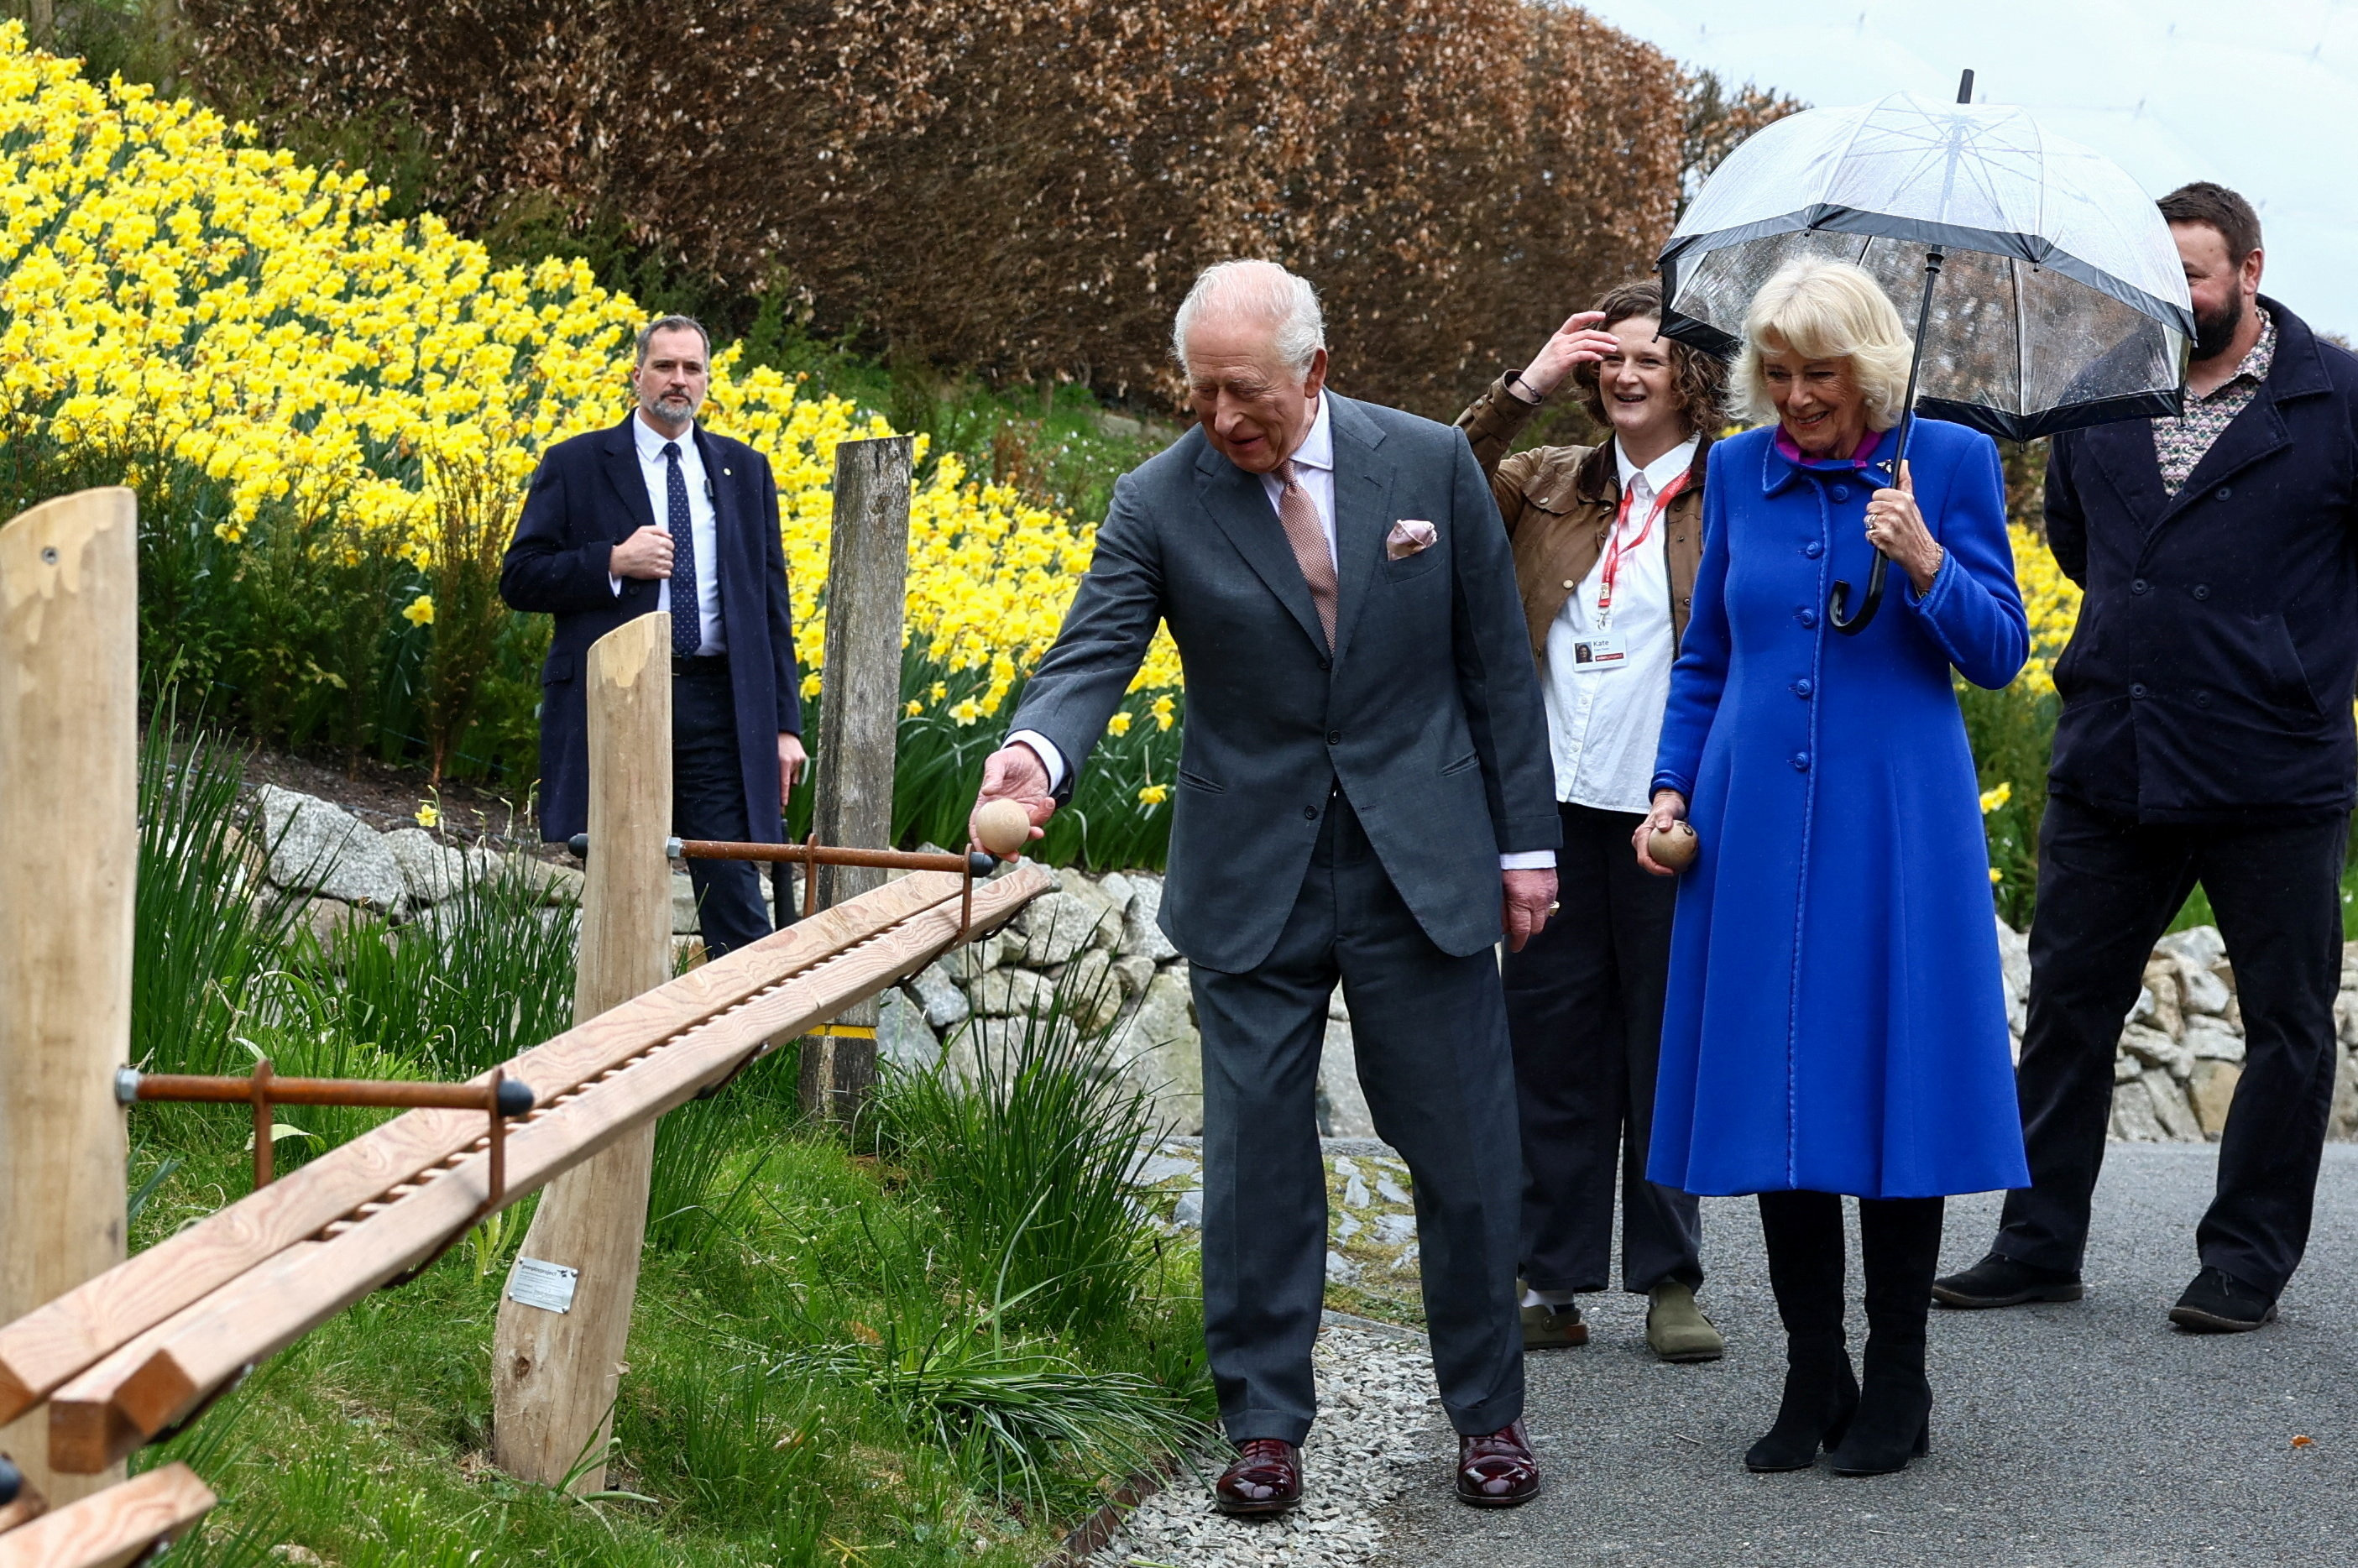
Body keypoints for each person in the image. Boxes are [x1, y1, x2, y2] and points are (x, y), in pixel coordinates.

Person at [969, 261, 1561, 1513]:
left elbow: (1495, 670)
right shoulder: (1157, 500)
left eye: (1247, 393)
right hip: (1253, 873)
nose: (1225, 419)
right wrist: (1035, 755)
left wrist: (1525, 850)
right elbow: (1093, 652)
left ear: (1316, 374)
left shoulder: (1427, 468)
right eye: (1201, 395)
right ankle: (1264, 1427)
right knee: (1253, 1159)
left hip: (1423, 861)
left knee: (1461, 1152)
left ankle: (1490, 1418)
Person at [1934, 183, 2358, 1332]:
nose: (2177, 296)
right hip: (2115, 746)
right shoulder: (2096, 389)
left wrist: (2297, 665)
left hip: (2273, 761)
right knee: (2070, 1004)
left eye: (2198, 275)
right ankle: (2036, 1245)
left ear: (2251, 271)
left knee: (2285, 1018)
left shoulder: (2338, 395)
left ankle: (2244, 1263)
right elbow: (2076, 542)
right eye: (2159, 275)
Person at [1637, 256, 2028, 1476]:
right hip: (1747, 825)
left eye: (1820, 375)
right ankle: (1815, 1370)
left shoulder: (1946, 466)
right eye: (1779, 374)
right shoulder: (1737, 474)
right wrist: (1667, 788)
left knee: (1887, 1083)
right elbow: (1705, 655)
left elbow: (2002, 651)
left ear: (1869, 371)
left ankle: (1899, 1381)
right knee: (1773, 1090)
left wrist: (1923, 559)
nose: (1796, 396)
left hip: (1893, 825)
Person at [1452, 280, 1725, 1363]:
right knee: (1550, 1048)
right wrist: (1521, 388)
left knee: (1666, 1050)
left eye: (1646, 358)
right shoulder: (1544, 483)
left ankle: (1669, 1280)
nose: (1622, 374)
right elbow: (1434, 480)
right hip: (1550, 816)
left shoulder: (1727, 492)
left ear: (1692, 374)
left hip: (1668, 822)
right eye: (1607, 357)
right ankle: (1551, 1278)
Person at [499, 315, 808, 959]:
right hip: (622, 698)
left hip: (714, 704)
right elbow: (519, 578)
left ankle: (748, 1044)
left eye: (691, 369)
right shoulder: (577, 464)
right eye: (664, 366)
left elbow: (770, 607)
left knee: (733, 890)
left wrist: (784, 725)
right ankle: (619, 1043)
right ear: (636, 375)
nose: (677, 381)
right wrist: (610, 561)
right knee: (623, 882)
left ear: (706, 382)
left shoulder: (743, 471)